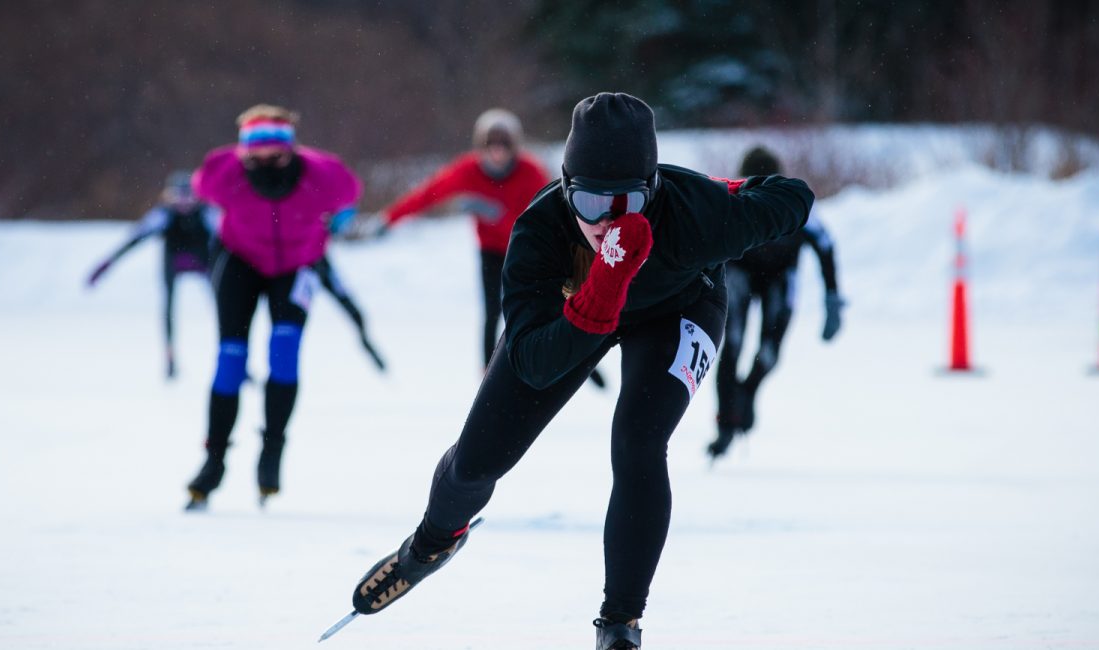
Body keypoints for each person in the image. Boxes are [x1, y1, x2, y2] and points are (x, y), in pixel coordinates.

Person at [340, 93, 812, 649]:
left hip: (680, 308)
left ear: (653, 189)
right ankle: (430, 545)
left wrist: (724, 189)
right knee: (475, 463)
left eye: (627, 201)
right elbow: (534, 365)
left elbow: (793, 198)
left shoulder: (694, 212)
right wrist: (603, 288)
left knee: (638, 443)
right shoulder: (540, 232)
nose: (607, 220)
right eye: (590, 201)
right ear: (566, 189)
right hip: (574, 314)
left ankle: (620, 624)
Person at [185, 104, 362, 511]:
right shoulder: (223, 171)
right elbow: (199, 187)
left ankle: (272, 449)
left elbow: (351, 193)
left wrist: (340, 219)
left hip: (297, 264)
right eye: (255, 158)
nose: (265, 165)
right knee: (231, 358)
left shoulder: (324, 174)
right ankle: (214, 460)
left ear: (291, 150)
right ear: (242, 153)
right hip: (240, 262)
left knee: (284, 351)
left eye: (276, 157)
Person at [375, 109, 604, 386]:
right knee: (492, 311)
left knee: (555, 304)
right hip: (492, 251)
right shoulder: (468, 171)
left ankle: (585, 365)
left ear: (514, 146)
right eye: (490, 145)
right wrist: (389, 218)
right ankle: (487, 377)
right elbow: (427, 194)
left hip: (528, 249)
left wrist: (496, 213)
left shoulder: (530, 172)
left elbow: (549, 215)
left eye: (503, 145)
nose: (497, 152)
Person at [707, 147, 843, 461]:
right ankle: (728, 421)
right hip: (741, 273)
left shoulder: (793, 204)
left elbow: (825, 245)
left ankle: (743, 396)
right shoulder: (736, 198)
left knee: (760, 352)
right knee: (737, 348)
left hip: (778, 278)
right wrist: (832, 295)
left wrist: (833, 298)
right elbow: (825, 247)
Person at [87, 170, 221, 379]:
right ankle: (170, 357)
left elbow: (229, 238)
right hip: (173, 262)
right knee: (168, 307)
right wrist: (107, 264)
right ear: (169, 195)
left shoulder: (207, 214)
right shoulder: (163, 215)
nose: (184, 201)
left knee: (224, 306)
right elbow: (134, 241)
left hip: (204, 263)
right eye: (178, 195)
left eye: (188, 195)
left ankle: (231, 354)